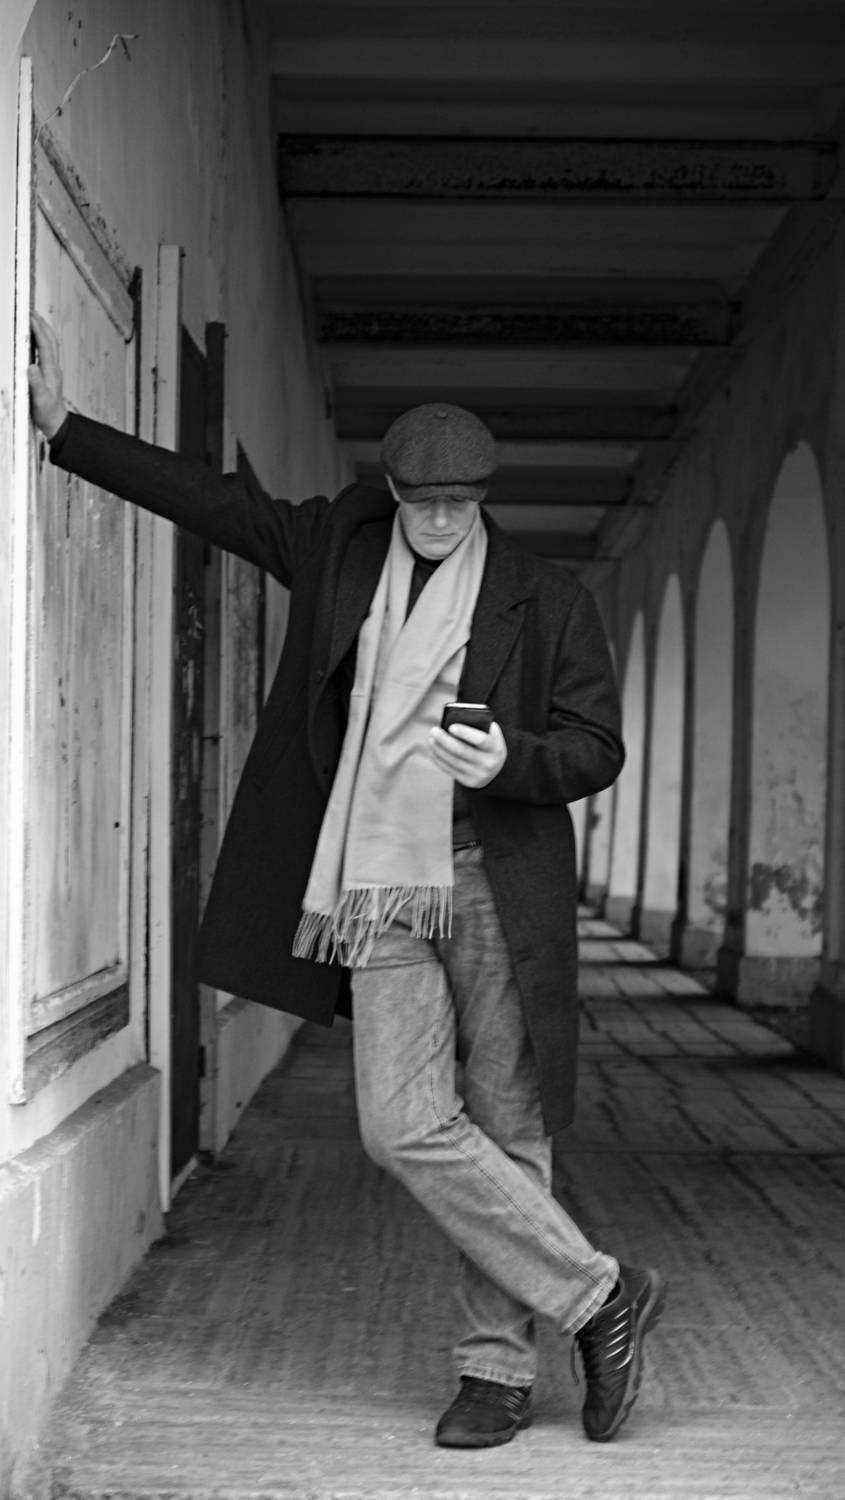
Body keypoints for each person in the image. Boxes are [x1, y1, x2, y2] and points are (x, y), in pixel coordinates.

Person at [29, 311, 665, 1449]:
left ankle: (494, 1371)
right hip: (375, 889)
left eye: (458, 504)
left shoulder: (546, 597)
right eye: (421, 501)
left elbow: (597, 747)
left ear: (482, 499)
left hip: (495, 884)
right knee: (400, 1123)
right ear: (393, 492)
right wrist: (65, 428)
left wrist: (511, 761)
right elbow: (219, 505)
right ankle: (600, 1293)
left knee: (507, 1123)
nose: (438, 521)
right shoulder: (340, 549)